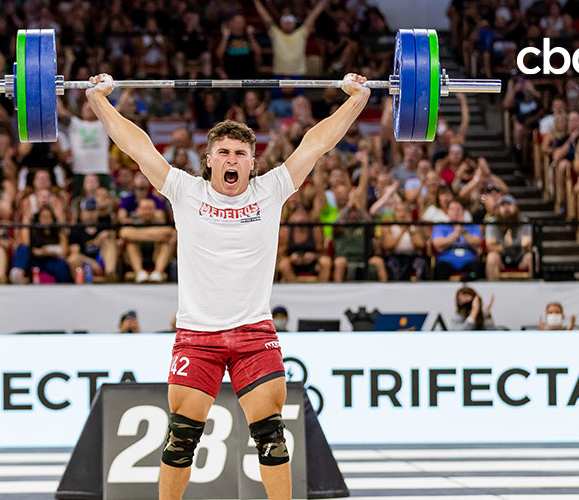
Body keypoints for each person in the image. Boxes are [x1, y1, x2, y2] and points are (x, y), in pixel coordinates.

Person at [86, 70, 369, 500]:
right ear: (210, 159)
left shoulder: (271, 189)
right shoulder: (185, 190)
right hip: (197, 334)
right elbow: (137, 146)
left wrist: (356, 100)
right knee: (182, 437)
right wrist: (98, 100)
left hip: (254, 331)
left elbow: (315, 143)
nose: (232, 159)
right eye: (224, 152)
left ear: (253, 161)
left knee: (272, 433)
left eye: (240, 153)